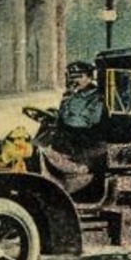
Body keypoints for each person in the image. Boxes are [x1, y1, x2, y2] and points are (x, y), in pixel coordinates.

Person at [41, 60, 106, 195]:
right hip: (70, 141)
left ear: (89, 77)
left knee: (48, 150)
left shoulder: (97, 97)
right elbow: (63, 114)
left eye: (79, 77)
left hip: (87, 143)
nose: (75, 80)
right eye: (72, 77)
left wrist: (63, 119)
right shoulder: (71, 95)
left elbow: (87, 122)